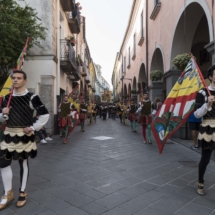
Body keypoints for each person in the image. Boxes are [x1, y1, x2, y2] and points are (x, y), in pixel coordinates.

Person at [0, 70, 49, 209]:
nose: (15, 80)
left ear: (24, 80)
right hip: (9, 133)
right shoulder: (6, 98)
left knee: (23, 162)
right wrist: (4, 114)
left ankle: (22, 192)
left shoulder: (31, 97)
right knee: (3, 162)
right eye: (14, 78)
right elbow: (1, 119)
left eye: (19, 78)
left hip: (23, 134)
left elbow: (45, 114)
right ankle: (8, 193)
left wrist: (33, 128)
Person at [194, 64, 215, 196]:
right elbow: (196, 114)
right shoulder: (202, 92)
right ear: (211, 77)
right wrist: (207, 104)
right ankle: (200, 182)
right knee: (205, 159)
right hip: (208, 128)